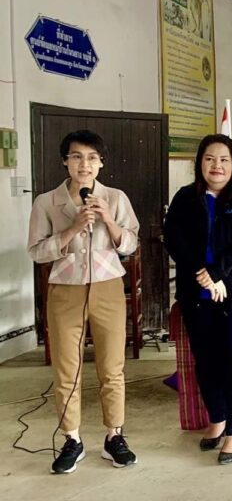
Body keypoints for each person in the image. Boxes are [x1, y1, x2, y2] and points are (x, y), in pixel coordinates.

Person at [28, 130, 140, 474]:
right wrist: (72, 229)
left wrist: (108, 220)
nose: (84, 164)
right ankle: (72, 439)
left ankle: (114, 436)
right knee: (67, 369)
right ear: (65, 161)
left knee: (112, 368)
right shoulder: (47, 202)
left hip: (108, 286)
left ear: (101, 163)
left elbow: (130, 243)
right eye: (76, 156)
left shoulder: (115, 198)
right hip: (65, 288)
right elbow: (36, 251)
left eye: (92, 157)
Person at [163, 134, 232, 465]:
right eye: (210, 159)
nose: (217, 166)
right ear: (200, 163)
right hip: (197, 293)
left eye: (224, 159)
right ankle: (217, 419)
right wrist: (203, 273)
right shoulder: (185, 198)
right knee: (206, 360)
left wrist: (219, 272)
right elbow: (173, 238)